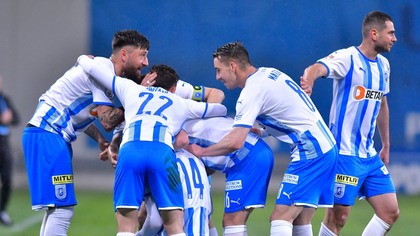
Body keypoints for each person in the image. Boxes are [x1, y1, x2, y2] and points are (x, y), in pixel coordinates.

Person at [185, 41, 338, 236]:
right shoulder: (268, 74)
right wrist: (263, 131)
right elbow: (290, 112)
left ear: (232, 66)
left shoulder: (251, 91)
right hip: (325, 147)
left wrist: (202, 151)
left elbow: (235, 142)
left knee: (280, 218)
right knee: (300, 219)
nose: (217, 77)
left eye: (219, 70)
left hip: (311, 150)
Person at [76, 57, 228, 236]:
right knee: (174, 225)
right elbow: (220, 109)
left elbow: (94, 70)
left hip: (131, 151)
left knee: (126, 226)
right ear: (173, 89)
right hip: (162, 153)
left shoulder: (131, 88)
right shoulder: (180, 101)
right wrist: (185, 121)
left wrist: (83, 59)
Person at [21, 29, 150, 236]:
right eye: (142, 55)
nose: (146, 62)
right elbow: (107, 120)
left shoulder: (100, 70)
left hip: (46, 135)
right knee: (62, 210)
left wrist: (99, 138)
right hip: (48, 136)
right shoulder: (102, 71)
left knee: (57, 209)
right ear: (124, 55)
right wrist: (139, 97)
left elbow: (75, 112)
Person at [300, 11, 400, 236]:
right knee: (338, 218)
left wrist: (386, 144)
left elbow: (382, 104)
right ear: (374, 34)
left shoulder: (384, 65)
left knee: (390, 211)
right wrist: (309, 79)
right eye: (391, 33)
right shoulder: (348, 58)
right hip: (344, 154)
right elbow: (317, 68)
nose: (394, 38)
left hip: (369, 154)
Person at [183, 116, 274, 236]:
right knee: (206, 214)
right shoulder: (194, 115)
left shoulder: (176, 128)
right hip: (251, 151)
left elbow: (182, 142)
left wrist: (202, 152)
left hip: (247, 156)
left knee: (232, 221)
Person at [0, 75, 19, 226]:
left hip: (4, 142)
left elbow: (16, 119)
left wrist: (9, 118)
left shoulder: (5, 100)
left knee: (7, 178)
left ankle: (2, 211)